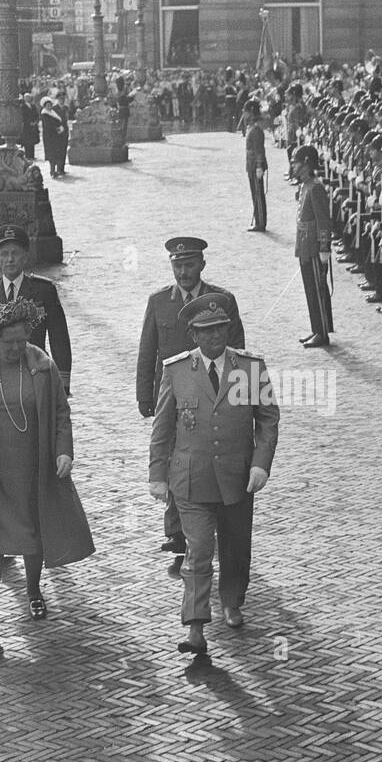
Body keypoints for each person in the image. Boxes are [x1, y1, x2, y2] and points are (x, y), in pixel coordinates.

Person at [0, 299, 94, 643]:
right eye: (8, 342)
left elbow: (61, 413)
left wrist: (64, 451)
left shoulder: (42, 369)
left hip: (33, 467)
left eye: (21, 340)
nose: (15, 348)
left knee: (34, 532)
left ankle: (33, 592)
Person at [148, 294, 280, 656]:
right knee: (201, 548)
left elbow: (267, 418)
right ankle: (194, 628)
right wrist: (156, 474)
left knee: (236, 548)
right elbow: (162, 427)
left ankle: (233, 600)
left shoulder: (250, 368)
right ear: (193, 335)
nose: (215, 337)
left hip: (237, 477)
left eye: (220, 329)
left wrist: (260, 464)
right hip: (191, 479)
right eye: (206, 332)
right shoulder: (176, 371)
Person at [137, 237, 246, 576]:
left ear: (202, 265)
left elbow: (238, 350)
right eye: (177, 265)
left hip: (212, 396)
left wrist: (234, 397)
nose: (183, 272)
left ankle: (201, 528)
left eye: (189, 264)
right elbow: (147, 351)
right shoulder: (158, 302)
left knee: (204, 459)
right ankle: (178, 534)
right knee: (173, 458)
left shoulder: (222, 301)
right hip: (173, 396)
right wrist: (145, 395)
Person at [0, 226, 73, 395]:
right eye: (4, 254)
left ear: (25, 257)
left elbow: (59, 339)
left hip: (35, 374)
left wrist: (63, 384)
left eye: (15, 253)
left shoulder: (44, 291)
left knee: (35, 420)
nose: (10, 259)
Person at [292, 144, 334, 348]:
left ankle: (323, 332)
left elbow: (323, 220)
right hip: (304, 244)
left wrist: (325, 246)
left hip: (315, 246)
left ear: (306, 163)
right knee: (310, 289)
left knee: (317, 289)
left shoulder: (316, 187)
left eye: (296, 161)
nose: (294, 165)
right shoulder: (305, 185)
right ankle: (316, 328)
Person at [244, 100, 269, 232]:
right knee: (255, 194)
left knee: (258, 195)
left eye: (246, 112)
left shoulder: (256, 130)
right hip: (251, 164)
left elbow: (259, 150)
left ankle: (261, 222)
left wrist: (259, 166)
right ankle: (259, 219)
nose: (244, 114)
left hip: (255, 165)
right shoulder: (252, 127)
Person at [40, 97, 68, 178]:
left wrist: (60, 128)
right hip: (49, 136)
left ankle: (58, 170)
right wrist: (58, 128)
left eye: (50, 105)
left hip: (56, 136)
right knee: (51, 155)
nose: (49, 107)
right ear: (44, 106)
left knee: (57, 153)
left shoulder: (53, 112)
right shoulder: (44, 114)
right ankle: (52, 171)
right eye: (47, 105)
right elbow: (48, 125)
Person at [20, 93, 40, 161]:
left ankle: (32, 155)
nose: (28, 99)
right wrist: (29, 122)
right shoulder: (22, 106)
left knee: (32, 141)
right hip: (26, 126)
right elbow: (22, 116)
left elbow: (37, 114)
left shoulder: (33, 106)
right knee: (27, 141)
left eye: (29, 97)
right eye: (26, 97)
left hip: (33, 126)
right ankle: (28, 155)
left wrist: (35, 122)